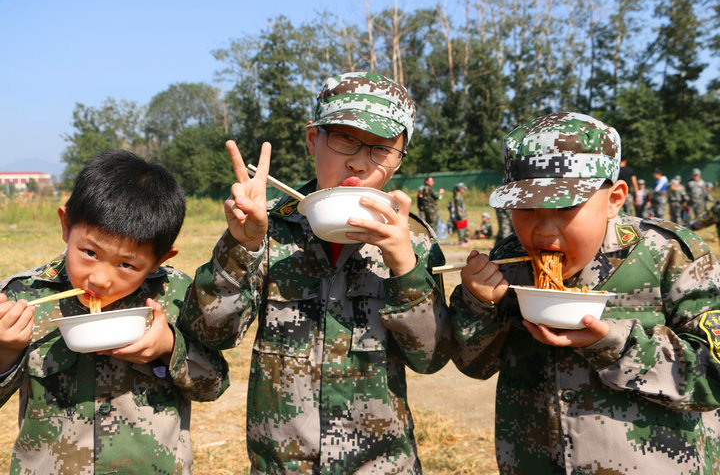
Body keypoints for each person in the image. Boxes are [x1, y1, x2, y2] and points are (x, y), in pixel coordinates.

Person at [178, 72, 451, 473]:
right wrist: (244, 245)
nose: (359, 161)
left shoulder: (414, 242)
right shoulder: (268, 228)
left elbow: (430, 358)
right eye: (344, 139)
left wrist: (404, 267)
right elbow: (210, 332)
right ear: (312, 140)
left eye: (381, 149)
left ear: (398, 161)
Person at [449, 112, 720, 474]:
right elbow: (473, 365)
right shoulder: (507, 263)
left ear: (614, 199)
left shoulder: (669, 255)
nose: (543, 233)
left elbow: (713, 376)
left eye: (565, 207)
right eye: (526, 208)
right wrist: (477, 303)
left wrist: (614, 344)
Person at [0, 151, 230, 473]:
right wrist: (6, 350)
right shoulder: (24, 296)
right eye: (90, 252)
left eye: (127, 264)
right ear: (66, 225)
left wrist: (169, 348)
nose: (101, 279)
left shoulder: (174, 295)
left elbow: (215, 385)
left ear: (160, 259)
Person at [452, 182, 470, 246]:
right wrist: (461, 216)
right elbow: (458, 208)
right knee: (461, 229)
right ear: (459, 189)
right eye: (463, 188)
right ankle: (461, 242)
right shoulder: (457, 197)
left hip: (463, 215)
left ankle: (465, 241)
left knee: (464, 228)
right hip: (460, 216)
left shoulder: (459, 196)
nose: (464, 190)